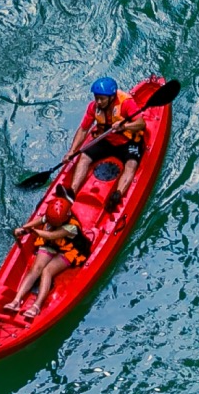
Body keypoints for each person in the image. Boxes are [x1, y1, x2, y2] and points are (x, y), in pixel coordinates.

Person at [10, 190, 91, 320]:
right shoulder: (52, 216)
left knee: (47, 271)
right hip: (53, 244)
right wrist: (24, 228)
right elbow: (40, 220)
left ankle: (36, 306)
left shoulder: (71, 227)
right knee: (36, 269)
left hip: (69, 249)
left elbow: (51, 235)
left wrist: (31, 231)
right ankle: (16, 300)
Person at [74, 76, 151, 208]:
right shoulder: (94, 107)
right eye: (96, 97)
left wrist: (124, 127)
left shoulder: (126, 103)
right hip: (106, 139)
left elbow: (141, 124)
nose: (98, 101)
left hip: (128, 141)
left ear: (111, 97)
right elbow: (83, 129)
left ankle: (117, 194)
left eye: (102, 99)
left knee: (131, 164)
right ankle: (71, 192)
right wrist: (72, 151)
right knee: (84, 157)